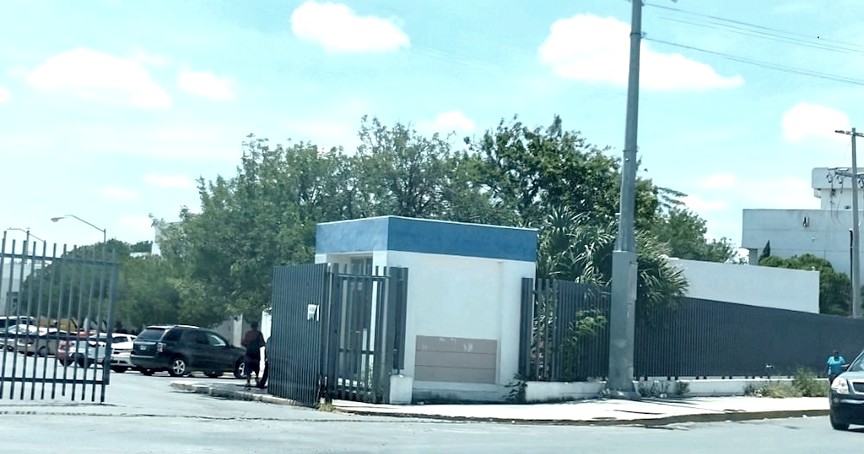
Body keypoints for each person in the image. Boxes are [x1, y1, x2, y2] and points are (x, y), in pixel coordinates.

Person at [241, 321, 266, 389]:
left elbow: (243, 342)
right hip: (256, 355)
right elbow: (262, 344)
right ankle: (257, 381)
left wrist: (248, 346)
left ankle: (248, 382)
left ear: (251, 326)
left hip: (248, 354)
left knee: (248, 369)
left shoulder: (248, 334)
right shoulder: (259, 334)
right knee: (256, 368)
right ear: (257, 326)